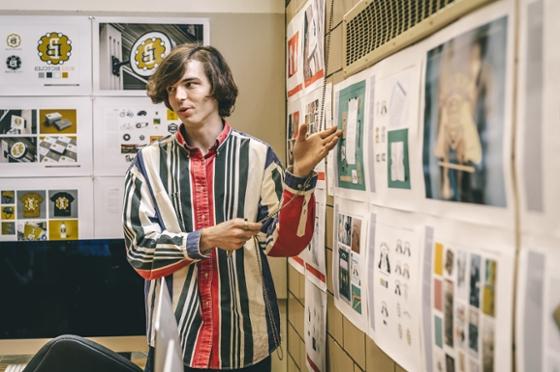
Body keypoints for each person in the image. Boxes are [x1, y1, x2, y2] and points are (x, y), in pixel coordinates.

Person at [122, 44, 341, 371]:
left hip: (245, 337)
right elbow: (140, 253)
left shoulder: (257, 156)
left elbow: (283, 243)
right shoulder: (147, 164)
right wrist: (205, 239)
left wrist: (299, 177)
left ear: (216, 86)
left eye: (190, 84)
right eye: (171, 89)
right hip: (176, 338)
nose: (179, 97)